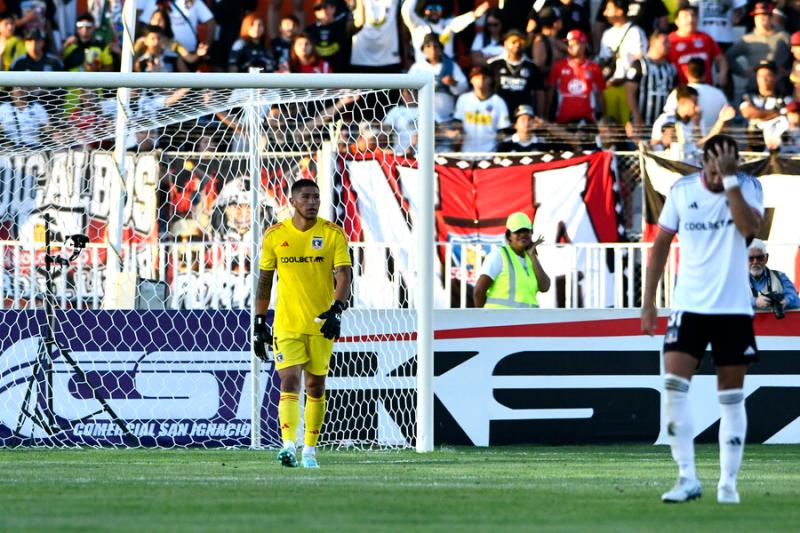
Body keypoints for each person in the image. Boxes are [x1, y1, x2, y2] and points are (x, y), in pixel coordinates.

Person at [641, 134, 764, 505]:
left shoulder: (747, 187)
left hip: (733, 309)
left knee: (730, 397)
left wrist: (730, 182)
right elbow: (661, 243)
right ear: (703, 161)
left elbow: (751, 230)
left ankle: (728, 483)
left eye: (727, 165)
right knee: (674, 387)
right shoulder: (681, 191)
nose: (718, 172)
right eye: (714, 165)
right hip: (689, 307)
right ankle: (686, 477)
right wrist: (648, 301)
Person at [253, 179, 353, 469]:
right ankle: (287, 446)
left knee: (315, 387)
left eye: (317, 197)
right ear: (293, 202)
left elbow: (344, 274)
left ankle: (309, 450)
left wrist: (337, 309)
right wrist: (260, 322)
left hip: (321, 322)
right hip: (286, 323)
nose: (312, 202)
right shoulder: (274, 235)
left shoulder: (333, 233)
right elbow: (264, 282)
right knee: (289, 381)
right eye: (306, 197)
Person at [473, 211, 551, 308]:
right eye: (517, 231)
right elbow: (479, 291)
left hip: (526, 320)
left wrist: (533, 256)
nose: (522, 234)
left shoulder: (531, 258)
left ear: (531, 233)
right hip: (501, 321)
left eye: (526, 231)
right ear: (509, 236)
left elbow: (545, 287)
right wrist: (483, 319)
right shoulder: (499, 255)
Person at [596, 0, 647, 128]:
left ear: (619, 10)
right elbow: (603, 60)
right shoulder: (607, 34)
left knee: (628, 129)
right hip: (610, 87)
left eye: (609, 9)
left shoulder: (635, 31)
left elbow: (641, 59)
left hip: (628, 88)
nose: (605, 13)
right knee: (611, 128)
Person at [725, 2, 791, 94]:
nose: (761, 19)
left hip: (780, 88)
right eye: (757, 16)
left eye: (765, 16)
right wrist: (742, 72)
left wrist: (789, 72)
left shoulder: (784, 37)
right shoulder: (747, 39)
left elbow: (796, 53)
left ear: (771, 17)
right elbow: (729, 55)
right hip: (754, 87)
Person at [401, 0, 489, 64]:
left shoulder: (448, 24)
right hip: (424, 70)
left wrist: (475, 15)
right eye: (430, 8)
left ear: (442, 10)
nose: (434, 11)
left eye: (437, 8)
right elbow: (406, 12)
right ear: (424, 10)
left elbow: (461, 22)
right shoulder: (417, 25)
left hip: (446, 71)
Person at [625, 30, 676, 137]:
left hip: (662, 127)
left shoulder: (671, 68)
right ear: (652, 43)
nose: (668, 45)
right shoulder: (640, 64)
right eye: (664, 42)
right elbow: (630, 92)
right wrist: (636, 115)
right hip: (642, 124)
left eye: (668, 42)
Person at [549, 28, 605, 124]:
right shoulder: (558, 66)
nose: (570, 47)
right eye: (568, 44)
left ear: (584, 45)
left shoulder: (594, 68)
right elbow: (550, 92)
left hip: (587, 119)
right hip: (563, 119)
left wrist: (603, 117)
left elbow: (600, 95)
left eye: (574, 44)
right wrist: (547, 115)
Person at [452, 65, 511, 152]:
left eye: (485, 77)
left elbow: (503, 131)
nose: (481, 80)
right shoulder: (463, 99)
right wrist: (456, 133)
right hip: (467, 153)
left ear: (491, 80)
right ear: (471, 80)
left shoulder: (499, 102)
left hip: (490, 153)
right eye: (477, 77)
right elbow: (458, 124)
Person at [667, 4, 728, 88]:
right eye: (685, 17)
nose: (690, 19)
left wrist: (722, 74)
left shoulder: (706, 38)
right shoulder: (669, 40)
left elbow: (720, 58)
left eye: (693, 16)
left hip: (705, 87)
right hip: (681, 90)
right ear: (677, 21)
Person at [488, 29, 545, 115]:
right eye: (514, 42)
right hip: (498, 111)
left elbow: (539, 92)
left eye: (521, 42)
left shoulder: (532, 67)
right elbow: (487, 88)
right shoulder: (494, 64)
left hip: (523, 113)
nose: (517, 45)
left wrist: (541, 115)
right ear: (505, 44)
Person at [748, 238, 800, 311]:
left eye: (759, 258)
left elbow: (796, 299)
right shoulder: (736, 280)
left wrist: (785, 302)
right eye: (750, 258)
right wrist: (754, 302)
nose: (755, 262)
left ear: (766, 258)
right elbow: (729, 300)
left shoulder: (780, 277)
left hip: (775, 321)